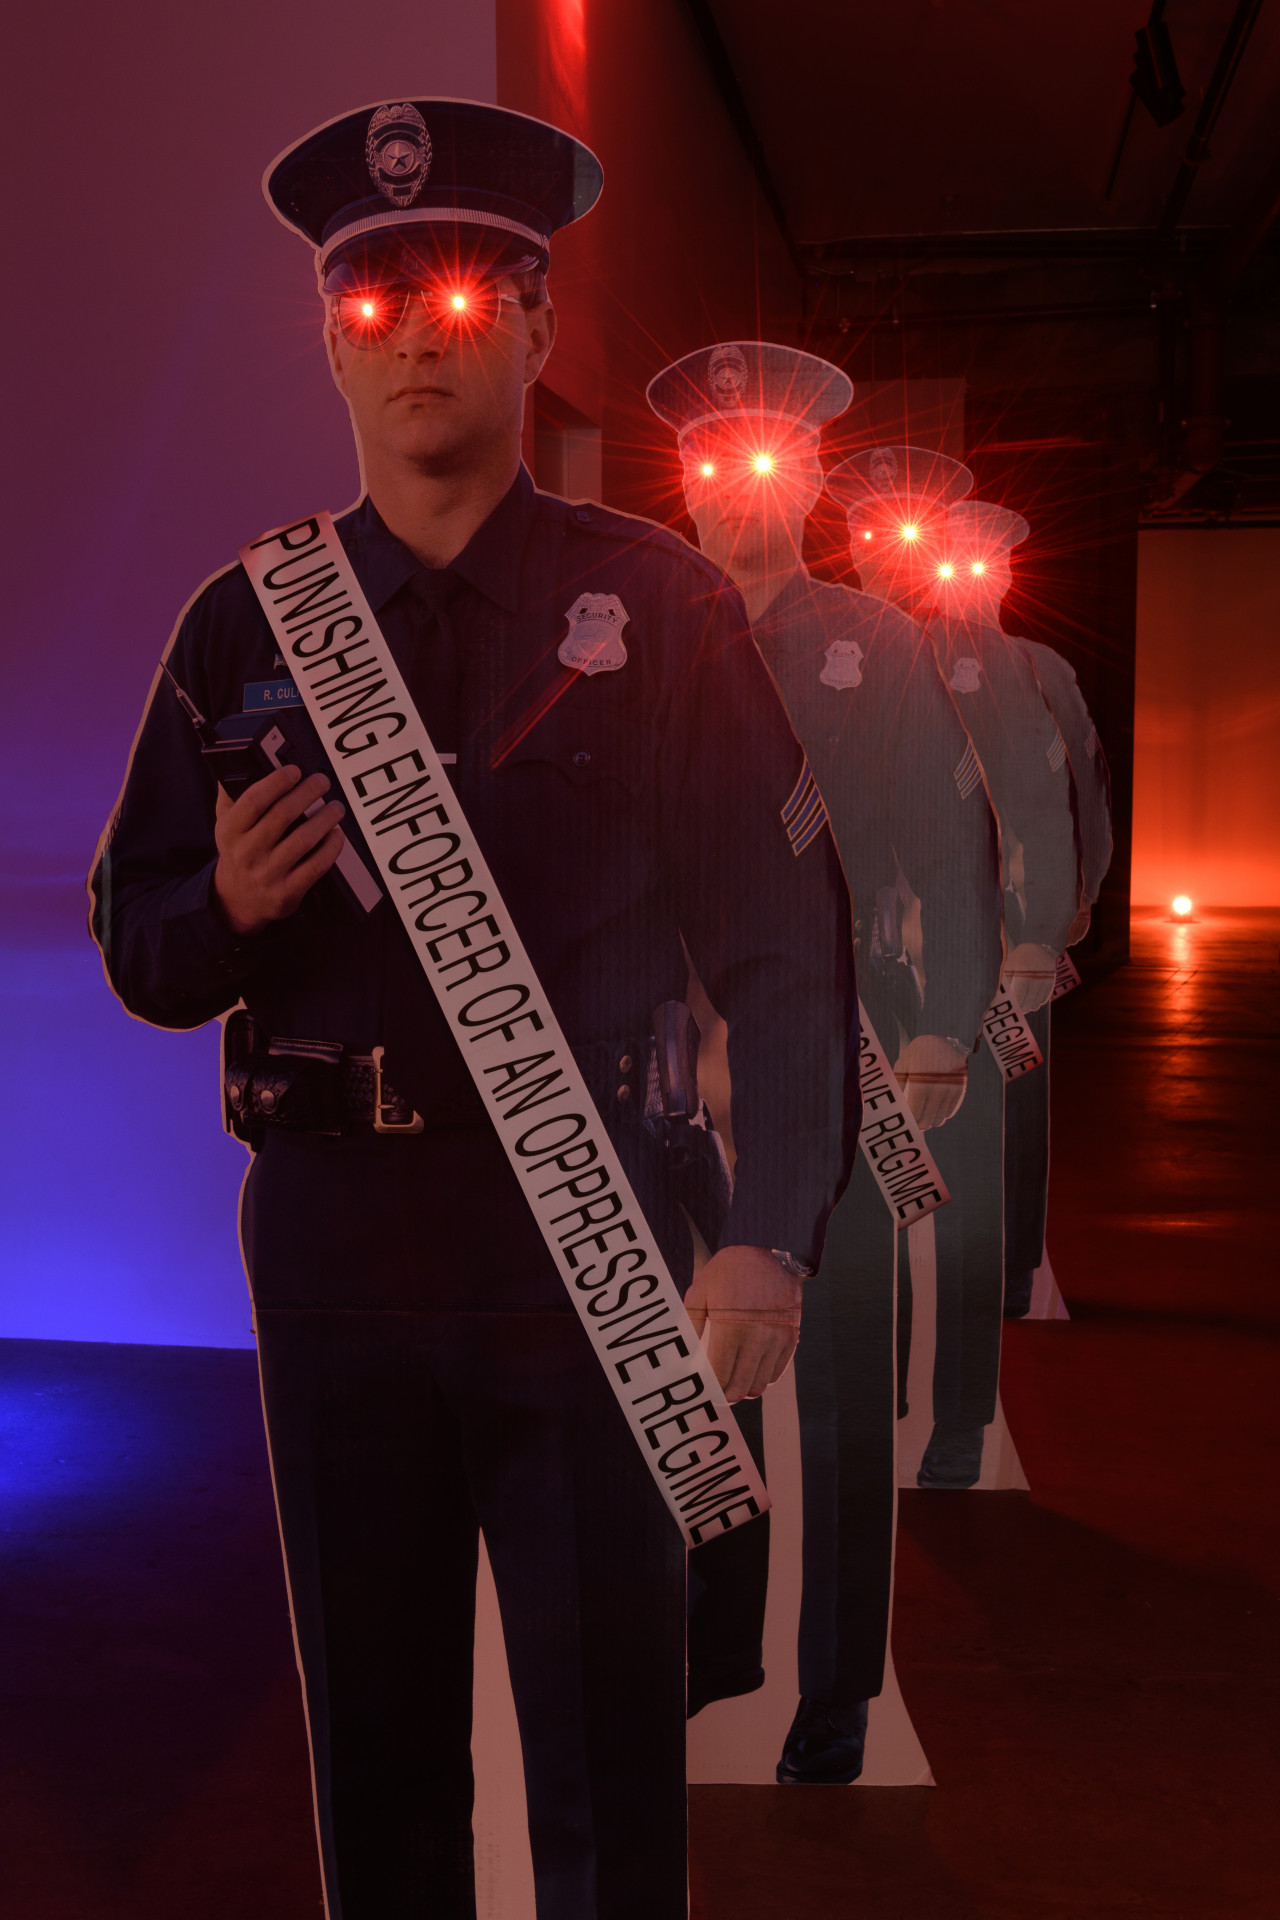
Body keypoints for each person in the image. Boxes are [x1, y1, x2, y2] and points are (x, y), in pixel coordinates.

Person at [88, 99, 859, 1920]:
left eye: (454, 287)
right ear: (333, 346)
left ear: (534, 325)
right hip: (337, 1243)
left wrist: (770, 1234)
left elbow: (780, 935)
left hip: (588, 1235)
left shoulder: (656, 608)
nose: (413, 328)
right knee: (378, 1755)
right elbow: (138, 940)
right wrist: (235, 906)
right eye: (368, 301)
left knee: (609, 1759)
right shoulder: (243, 621)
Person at [648, 348, 1002, 1779]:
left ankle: (838, 1687)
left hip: (835, 1044)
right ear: (684, 476)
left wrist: (944, 1021)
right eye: (715, 457)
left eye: (772, 459)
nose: (741, 483)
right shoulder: (621, 623)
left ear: (808, 482)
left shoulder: (877, 642)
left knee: (839, 1379)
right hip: (659, 1057)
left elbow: (947, 835)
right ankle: (708, 1645)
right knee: (688, 1367)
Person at [828, 449, 1079, 1487]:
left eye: (907, 536)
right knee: (848, 1191)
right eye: (867, 533)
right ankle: (873, 1398)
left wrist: (1033, 938)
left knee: (963, 1189)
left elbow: (1037, 809)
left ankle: (960, 1420)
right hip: (841, 956)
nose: (887, 554)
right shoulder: (819, 646)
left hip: (955, 956)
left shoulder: (987, 663)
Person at [938, 502, 1113, 1316]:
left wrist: (1073, 894)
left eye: (987, 563)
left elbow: (1082, 777)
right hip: (917, 912)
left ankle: (1011, 1271)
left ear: (1006, 575)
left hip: (1011, 911)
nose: (974, 577)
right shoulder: (894, 654)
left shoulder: (1040, 666)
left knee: (1012, 1093)